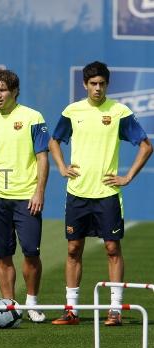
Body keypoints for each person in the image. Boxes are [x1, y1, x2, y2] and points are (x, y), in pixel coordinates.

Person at [49, 61, 152, 326]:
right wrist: (61, 166)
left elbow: (145, 146)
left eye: (102, 84)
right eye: (93, 84)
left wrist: (128, 176)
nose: (97, 88)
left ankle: (115, 310)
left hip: (107, 194)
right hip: (78, 193)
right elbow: (54, 141)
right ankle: (71, 310)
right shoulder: (72, 111)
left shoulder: (119, 112)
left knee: (112, 248)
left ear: (107, 85)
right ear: (84, 85)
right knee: (73, 249)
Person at [0, 69, 49, 323]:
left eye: (2, 90)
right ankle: (9, 306)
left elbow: (42, 158)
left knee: (31, 252)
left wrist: (39, 192)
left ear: (15, 91)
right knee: (2, 255)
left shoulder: (32, 118)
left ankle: (32, 303)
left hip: (27, 197)